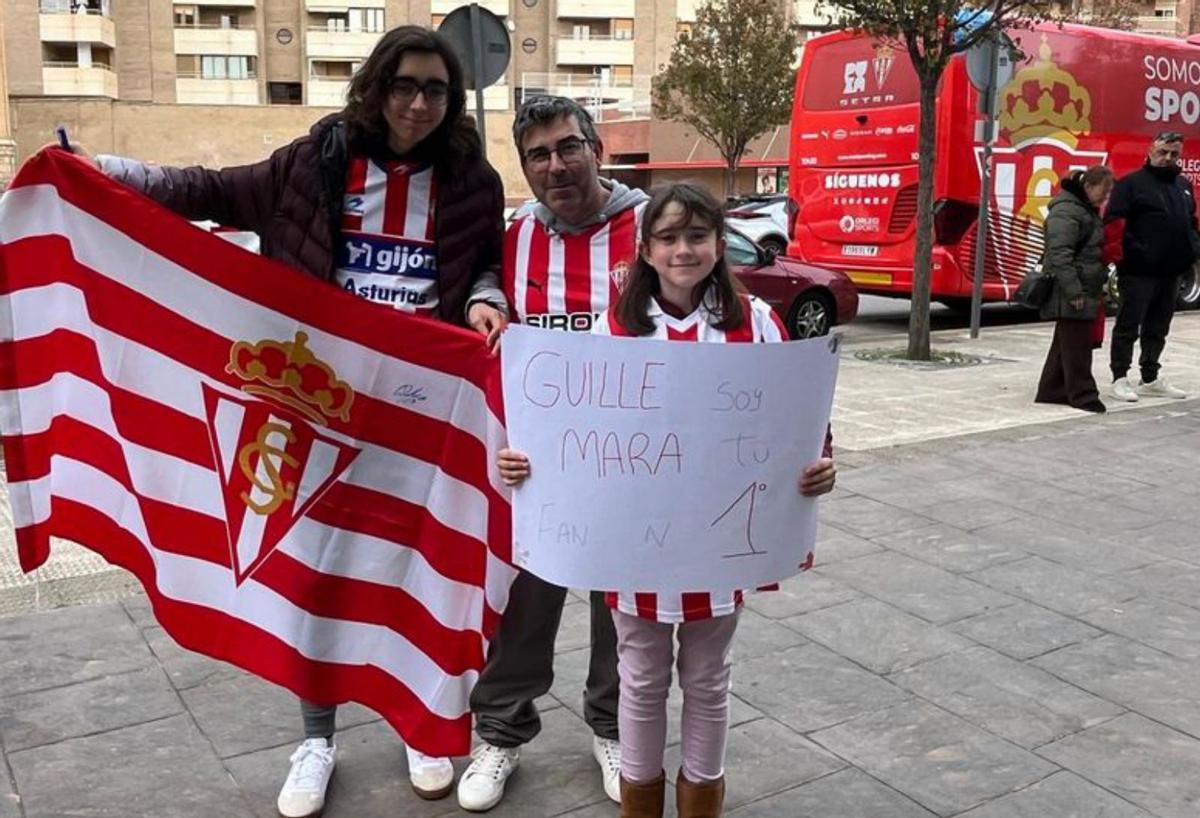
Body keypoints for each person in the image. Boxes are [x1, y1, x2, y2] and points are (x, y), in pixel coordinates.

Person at [69, 25, 508, 818]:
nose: (419, 103)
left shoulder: (472, 180)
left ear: (453, 100)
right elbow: (208, 190)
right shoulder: (314, 162)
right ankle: (316, 739)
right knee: (313, 576)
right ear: (376, 87)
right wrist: (105, 172)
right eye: (405, 85)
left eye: (436, 89)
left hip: (416, 418)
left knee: (407, 567)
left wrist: (486, 297)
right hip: (316, 407)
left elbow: (487, 262)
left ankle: (415, 721)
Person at [495, 182, 837, 818]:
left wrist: (819, 464)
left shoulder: (756, 324)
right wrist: (526, 465)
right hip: (637, 548)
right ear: (646, 250)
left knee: (708, 679)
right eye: (669, 237)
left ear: (719, 244)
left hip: (719, 544)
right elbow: (569, 434)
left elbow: (799, 416)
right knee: (641, 677)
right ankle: (641, 800)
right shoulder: (612, 331)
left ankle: (703, 796)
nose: (684, 250)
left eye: (697, 236)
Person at [454, 95, 648, 812]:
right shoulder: (518, 237)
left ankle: (615, 730)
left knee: (622, 608)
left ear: (597, 149)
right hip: (538, 467)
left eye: (568, 147)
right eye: (538, 154)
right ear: (525, 167)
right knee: (522, 605)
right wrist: (482, 296)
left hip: (630, 461)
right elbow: (483, 279)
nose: (556, 165)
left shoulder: (648, 226)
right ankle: (500, 733)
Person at [1104, 131, 1195, 402]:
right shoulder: (1130, 184)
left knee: (1158, 327)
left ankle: (1150, 377)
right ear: (1150, 150)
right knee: (1128, 325)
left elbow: (1191, 222)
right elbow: (1114, 226)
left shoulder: (1183, 185)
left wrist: (1191, 251)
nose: (1167, 158)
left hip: (1171, 270)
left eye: (1174, 154)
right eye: (1162, 152)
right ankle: (1120, 377)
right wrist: (1131, 256)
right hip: (1138, 270)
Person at [1035, 166, 1114, 414]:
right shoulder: (1068, 210)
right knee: (1077, 345)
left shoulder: (1080, 209)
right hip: (1072, 289)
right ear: (1088, 186)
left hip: (1082, 285)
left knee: (1065, 342)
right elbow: (1060, 254)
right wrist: (1074, 292)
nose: (1105, 198)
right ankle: (1083, 395)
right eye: (1103, 191)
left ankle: (1052, 389)